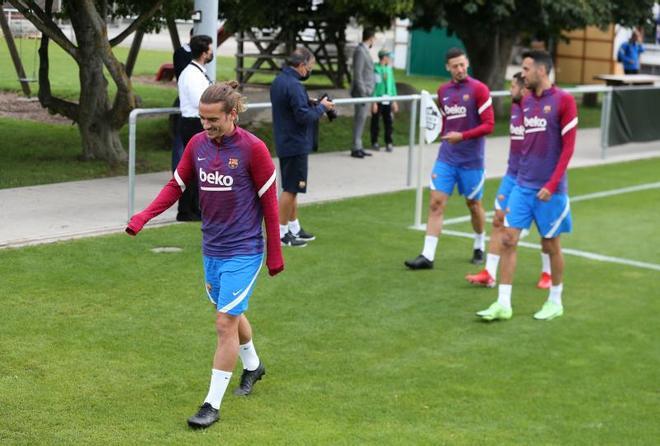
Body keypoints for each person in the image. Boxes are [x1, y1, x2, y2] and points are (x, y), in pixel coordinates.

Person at [125, 82, 283, 429]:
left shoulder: (253, 149)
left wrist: (275, 253)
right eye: (202, 118)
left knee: (224, 322)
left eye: (213, 119)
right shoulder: (197, 145)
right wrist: (143, 217)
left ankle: (211, 405)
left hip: (244, 250)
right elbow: (175, 186)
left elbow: (270, 205)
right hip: (211, 248)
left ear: (233, 114)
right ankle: (254, 366)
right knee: (230, 312)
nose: (206, 125)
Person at [476, 50, 577, 321]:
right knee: (508, 238)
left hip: (550, 191)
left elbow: (568, 149)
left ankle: (555, 301)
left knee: (550, 244)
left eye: (526, 69)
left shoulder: (564, 101)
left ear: (542, 71)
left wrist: (552, 183)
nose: (521, 75)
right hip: (522, 185)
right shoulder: (526, 102)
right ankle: (503, 304)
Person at [404, 47, 494, 270]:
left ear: (467, 63)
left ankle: (479, 243)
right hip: (446, 158)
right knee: (436, 203)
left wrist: (462, 136)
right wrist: (434, 130)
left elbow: (489, 125)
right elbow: (445, 123)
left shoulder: (480, 89)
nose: (460, 69)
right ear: (448, 68)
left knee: (474, 205)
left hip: (472, 160)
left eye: (463, 64)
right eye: (455, 66)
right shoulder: (443, 91)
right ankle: (427, 256)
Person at [465, 73, 552, 289]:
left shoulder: (538, 112)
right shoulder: (515, 108)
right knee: (497, 220)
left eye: (512, 86)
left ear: (524, 89)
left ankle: (547, 273)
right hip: (512, 175)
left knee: (546, 229)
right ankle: (489, 273)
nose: (509, 89)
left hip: (534, 179)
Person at [270, 47, 335, 247]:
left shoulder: (280, 81)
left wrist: (312, 103)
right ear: (301, 65)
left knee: (293, 188)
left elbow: (295, 109)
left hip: (286, 140)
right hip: (294, 143)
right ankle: (281, 234)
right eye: (309, 67)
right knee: (290, 189)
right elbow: (303, 116)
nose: (310, 70)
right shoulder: (294, 85)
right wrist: (322, 108)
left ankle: (294, 227)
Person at [176, 34, 214, 221]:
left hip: (196, 123)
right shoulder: (191, 74)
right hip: (192, 123)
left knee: (201, 168)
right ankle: (186, 210)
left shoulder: (197, 72)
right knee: (195, 169)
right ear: (204, 53)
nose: (212, 52)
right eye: (210, 49)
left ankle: (195, 208)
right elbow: (199, 101)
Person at [170, 29, 194, 184]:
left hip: (195, 106)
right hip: (185, 101)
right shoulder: (182, 53)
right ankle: (178, 175)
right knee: (179, 139)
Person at [350, 28, 376, 158]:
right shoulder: (360, 51)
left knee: (362, 120)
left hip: (367, 92)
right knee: (359, 120)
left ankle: (359, 145)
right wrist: (363, 92)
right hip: (362, 93)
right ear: (371, 38)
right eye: (374, 38)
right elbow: (358, 74)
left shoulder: (365, 50)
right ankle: (355, 147)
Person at [370, 49, 398, 152]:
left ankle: (389, 142)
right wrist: (373, 102)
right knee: (376, 121)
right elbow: (374, 86)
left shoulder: (389, 70)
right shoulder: (376, 69)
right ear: (384, 57)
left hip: (388, 99)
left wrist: (394, 100)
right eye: (389, 57)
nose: (390, 59)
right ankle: (374, 142)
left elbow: (393, 85)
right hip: (378, 99)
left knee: (389, 122)